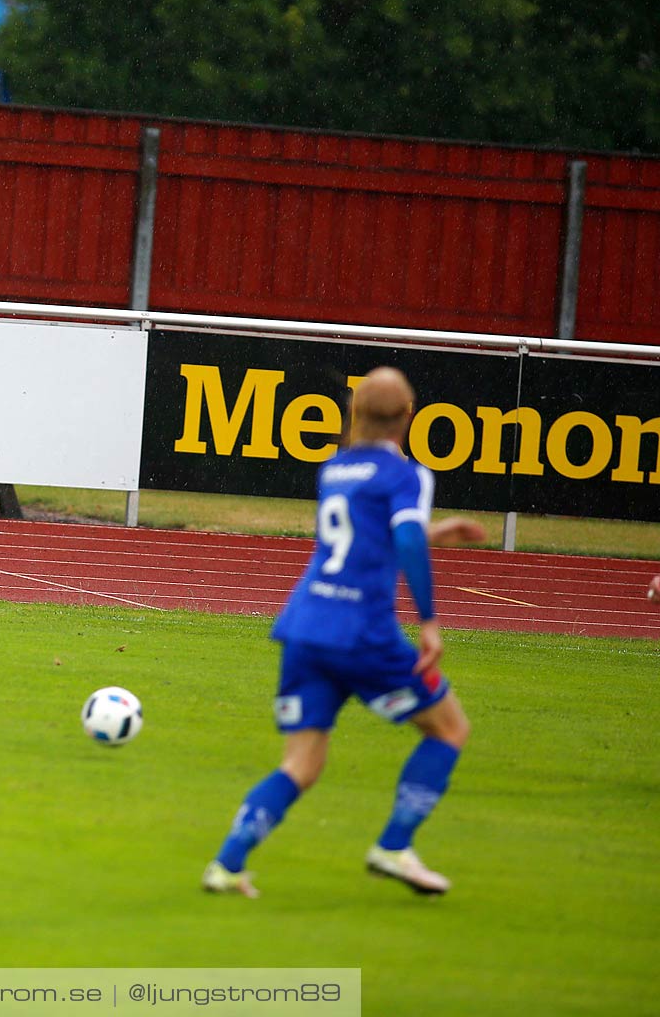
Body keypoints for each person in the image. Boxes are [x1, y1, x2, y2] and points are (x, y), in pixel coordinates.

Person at [203, 367, 486, 898]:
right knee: (449, 730)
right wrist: (428, 622)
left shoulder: (335, 468)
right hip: (362, 633)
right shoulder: (408, 475)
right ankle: (395, 846)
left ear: (354, 415)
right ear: (408, 417)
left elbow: (368, 531)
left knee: (302, 764)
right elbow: (401, 539)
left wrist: (433, 531)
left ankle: (227, 863)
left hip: (306, 627)